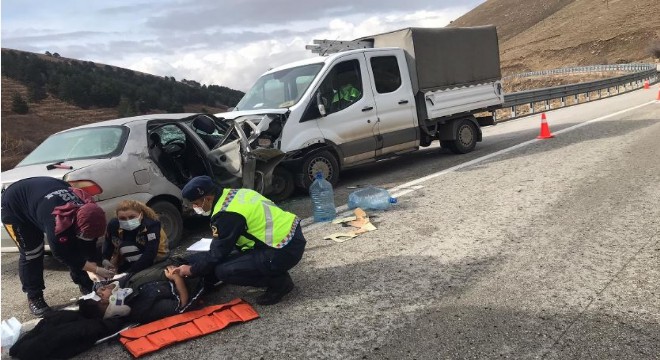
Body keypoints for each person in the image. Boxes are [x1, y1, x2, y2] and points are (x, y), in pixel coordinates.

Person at [173, 175, 306, 305]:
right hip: (292, 236)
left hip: (283, 249)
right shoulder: (237, 193)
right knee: (227, 255)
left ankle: (280, 283)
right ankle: (273, 270)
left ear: (207, 199)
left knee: (223, 271)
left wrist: (191, 270)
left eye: (196, 204)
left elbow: (217, 254)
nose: (194, 208)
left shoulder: (226, 214)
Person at [1, 176, 111, 316]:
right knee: (32, 252)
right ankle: (34, 297)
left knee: (79, 243)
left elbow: (88, 244)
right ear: (75, 222)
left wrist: (95, 266)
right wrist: (94, 268)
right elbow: (61, 253)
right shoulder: (57, 221)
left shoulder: (90, 210)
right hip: (15, 207)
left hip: (45, 190)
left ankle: (86, 284)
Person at [102, 200, 169, 276]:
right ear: (117, 218)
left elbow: (151, 252)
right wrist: (105, 259)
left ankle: (137, 271)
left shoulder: (151, 225)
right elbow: (109, 241)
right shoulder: (113, 224)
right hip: (132, 254)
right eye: (122, 218)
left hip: (157, 256)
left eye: (131, 217)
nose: (127, 221)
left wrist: (129, 272)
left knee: (126, 248)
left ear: (141, 215)